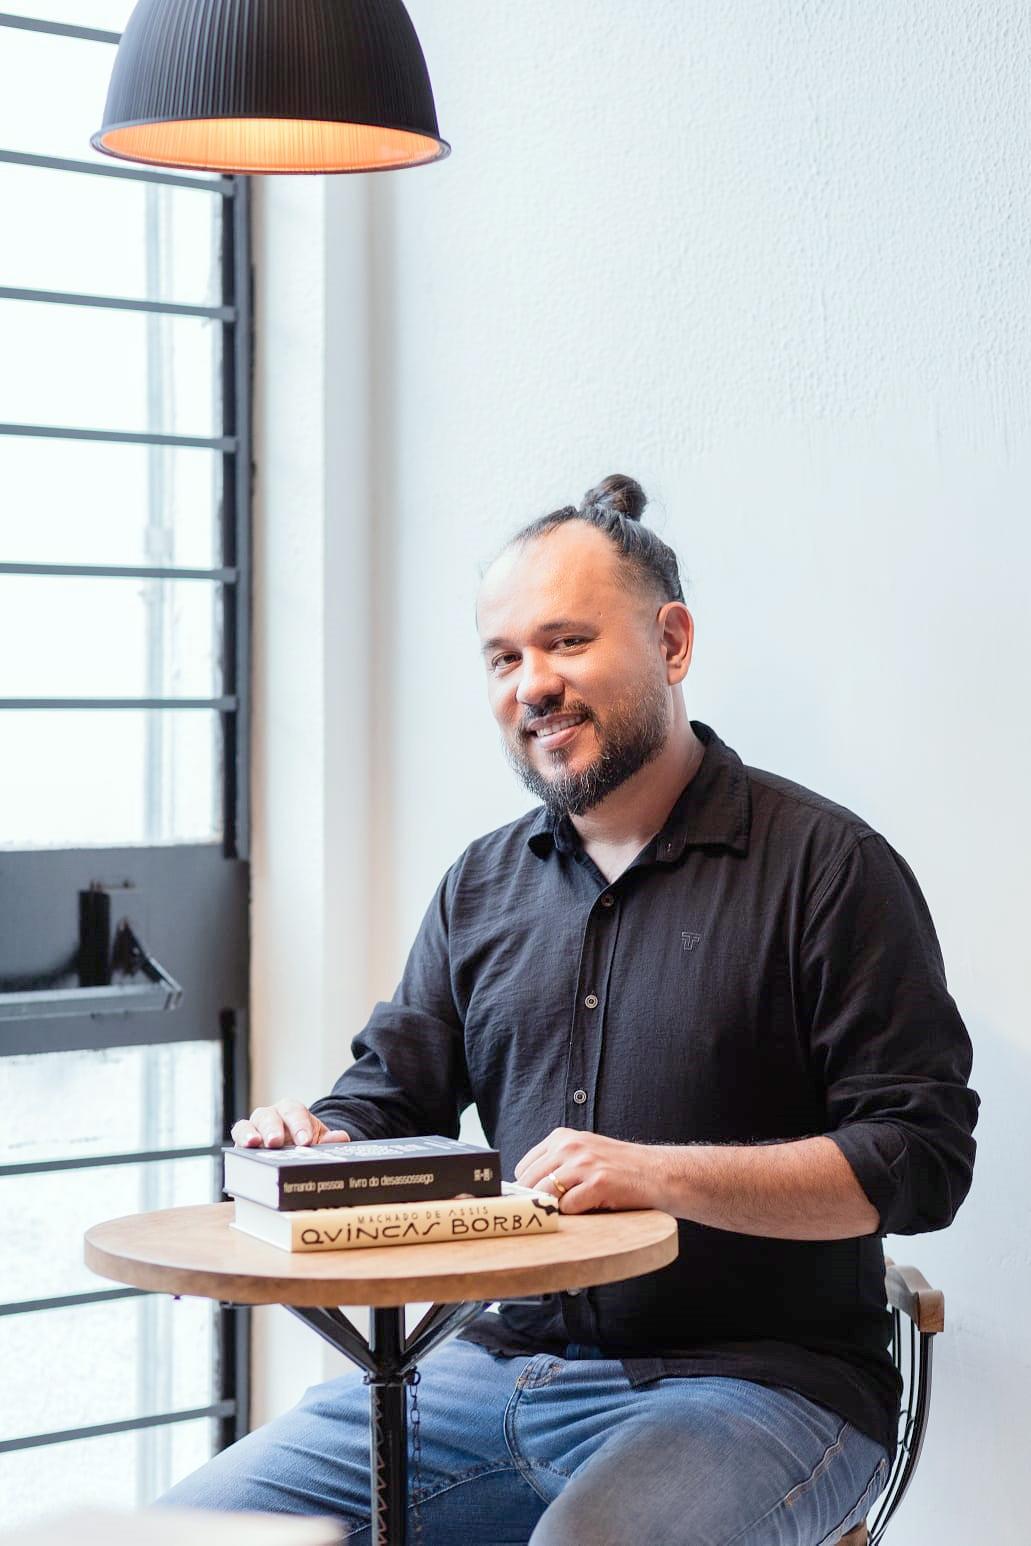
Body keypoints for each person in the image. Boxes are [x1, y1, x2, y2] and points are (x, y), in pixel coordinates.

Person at [164, 475, 978, 1544]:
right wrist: (318, 1138)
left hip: (761, 1387)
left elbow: (918, 1161)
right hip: (488, 1368)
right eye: (503, 658)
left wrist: (656, 1172)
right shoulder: (479, 886)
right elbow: (389, 1094)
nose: (531, 684)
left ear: (671, 643)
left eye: (565, 641)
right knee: (188, 1528)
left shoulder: (829, 868)